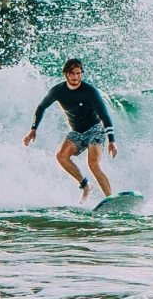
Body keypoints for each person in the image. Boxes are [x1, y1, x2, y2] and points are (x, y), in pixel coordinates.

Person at [24, 58, 118, 200]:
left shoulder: (89, 91)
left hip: (95, 129)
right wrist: (33, 129)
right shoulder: (58, 91)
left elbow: (104, 114)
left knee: (93, 163)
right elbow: (41, 107)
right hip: (77, 132)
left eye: (78, 73)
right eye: (72, 73)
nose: (75, 77)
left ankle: (110, 199)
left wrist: (112, 140)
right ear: (66, 74)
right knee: (61, 156)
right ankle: (85, 184)